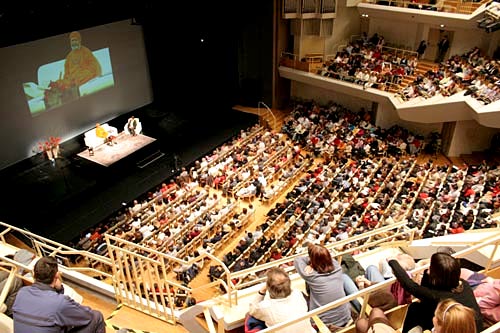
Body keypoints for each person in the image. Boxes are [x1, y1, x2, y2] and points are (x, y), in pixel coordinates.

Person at [387, 252, 482, 333]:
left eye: (431, 267)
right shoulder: (464, 284)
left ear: (437, 277)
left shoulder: (436, 296)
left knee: (414, 308)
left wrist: (392, 261)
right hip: (474, 327)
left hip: (456, 327)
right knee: (419, 307)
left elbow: (409, 285)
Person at [12, 256, 105, 333]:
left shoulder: (22, 292)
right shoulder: (60, 303)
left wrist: (59, 290)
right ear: (56, 275)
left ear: (34, 275)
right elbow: (87, 316)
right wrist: (60, 289)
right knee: (97, 316)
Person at [294, 243, 352, 331]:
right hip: (345, 317)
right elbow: (327, 259)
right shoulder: (337, 266)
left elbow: (297, 260)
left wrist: (311, 264)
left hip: (324, 323)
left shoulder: (311, 275)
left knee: (297, 293)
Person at [248, 267, 315, 333]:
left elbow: (252, 310)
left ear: (268, 287)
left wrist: (262, 291)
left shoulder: (266, 306)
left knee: (250, 318)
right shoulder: (298, 293)